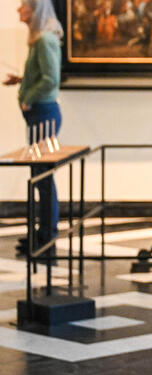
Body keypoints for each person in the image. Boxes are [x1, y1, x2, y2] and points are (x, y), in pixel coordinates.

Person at [4, 0, 64, 259]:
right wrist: (22, 81)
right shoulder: (40, 40)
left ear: (35, 10)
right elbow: (42, 73)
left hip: (43, 113)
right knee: (40, 176)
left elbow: (51, 78)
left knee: (43, 178)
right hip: (39, 113)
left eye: (23, 6)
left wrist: (29, 96)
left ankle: (46, 237)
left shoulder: (44, 40)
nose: (19, 10)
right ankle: (42, 234)